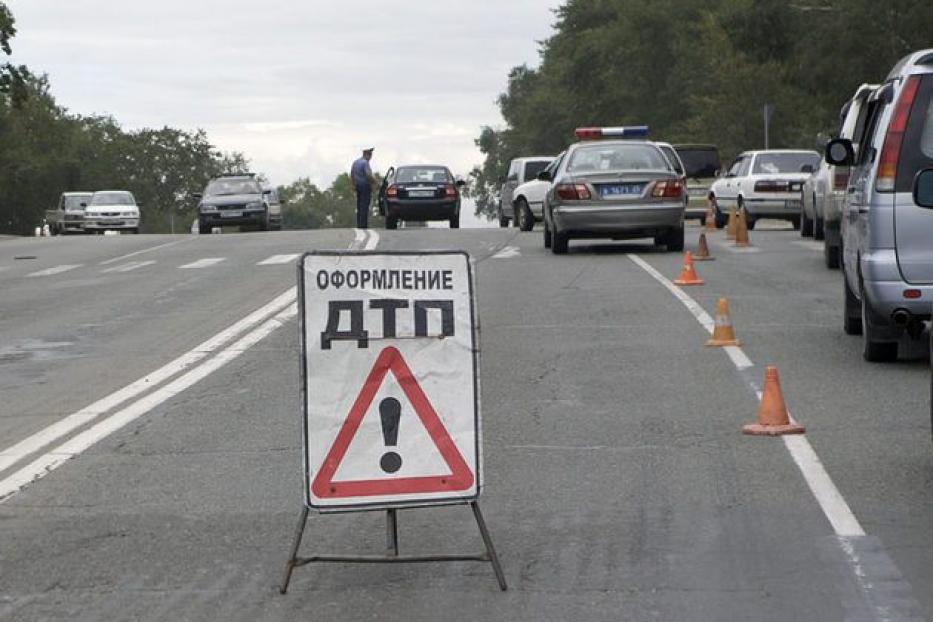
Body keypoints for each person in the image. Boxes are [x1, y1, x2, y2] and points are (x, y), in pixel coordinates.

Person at [350, 147, 377, 229]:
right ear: (367, 155)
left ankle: (359, 224)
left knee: (359, 205)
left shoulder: (355, 162)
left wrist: (353, 185)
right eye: (370, 156)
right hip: (365, 186)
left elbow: (352, 174)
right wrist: (376, 182)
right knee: (364, 206)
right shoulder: (365, 163)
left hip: (357, 186)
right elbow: (368, 175)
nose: (370, 158)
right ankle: (363, 225)